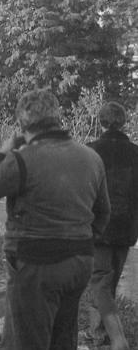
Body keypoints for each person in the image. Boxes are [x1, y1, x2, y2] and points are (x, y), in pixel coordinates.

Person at [0, 89, 110, 350]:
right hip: (79, 262)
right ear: (57, 119)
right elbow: (103, 213)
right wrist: (80, 241)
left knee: (28, 341)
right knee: (63, 337)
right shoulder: (91, 158)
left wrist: (2, 153)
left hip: (36, 263)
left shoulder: (22, 159)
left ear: (22, 125)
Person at [86, 101, 137, 350]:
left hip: (99, 226)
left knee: (99, 282)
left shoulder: (91, 151)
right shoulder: (136, 153)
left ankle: (115, 338)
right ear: (124, 122)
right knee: (110, 282)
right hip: (127, 228)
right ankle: (98, 332)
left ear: (102, 122)